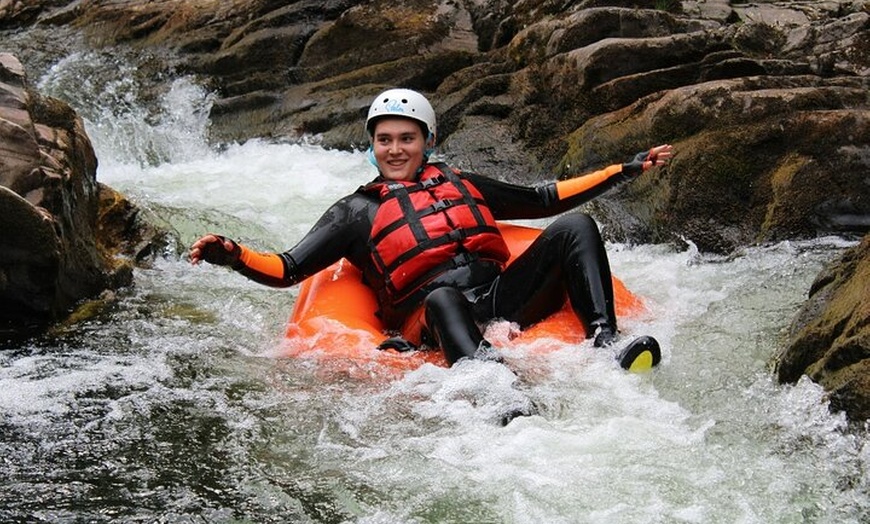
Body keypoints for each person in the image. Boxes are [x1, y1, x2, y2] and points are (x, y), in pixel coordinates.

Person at [190, 88, 672, 367]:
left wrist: (623, 170)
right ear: (372, 147)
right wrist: (232, 254)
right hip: (430, 320)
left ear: (428, 140)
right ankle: (491, 385)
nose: (395, 149)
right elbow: (289, 267)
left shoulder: (460, 182)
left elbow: (543, 199)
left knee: (576, 226)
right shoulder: (355, 211)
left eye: (406, 138)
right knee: (444, 297)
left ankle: (605, 343)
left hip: (500, 298)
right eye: (384, 140)